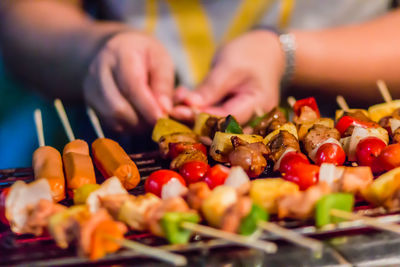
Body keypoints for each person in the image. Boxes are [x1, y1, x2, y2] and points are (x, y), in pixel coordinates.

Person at [0, 1, 399, 139]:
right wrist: (96, 50)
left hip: (353, 138)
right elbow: (23, 14)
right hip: (121, 149)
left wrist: (286, 54)